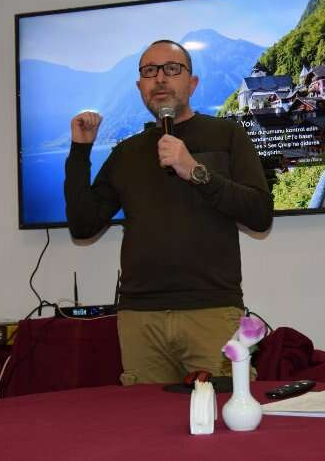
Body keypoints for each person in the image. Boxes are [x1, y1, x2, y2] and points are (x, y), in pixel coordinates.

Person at [64, 39, 273, 385]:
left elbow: (260, 215)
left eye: (172, 69)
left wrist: (195, 171)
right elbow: (83, 225)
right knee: (145, 420)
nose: (160, 78)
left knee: (225, 415)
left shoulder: (227, 134)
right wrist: (80, 151)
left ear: (192, 83)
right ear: (140, 87)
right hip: (139, 318)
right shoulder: (126, 153)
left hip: (211, 311)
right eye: (150, 71)